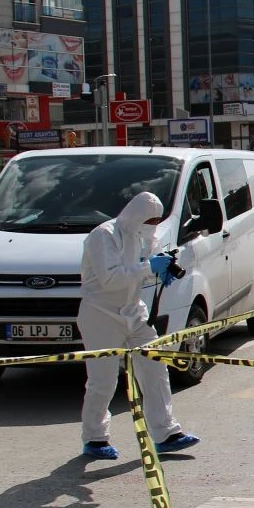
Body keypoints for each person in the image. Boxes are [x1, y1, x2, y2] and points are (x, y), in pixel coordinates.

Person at [78, 192, 198, 460]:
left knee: (155, 369)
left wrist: (161, 271)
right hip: (100, 315)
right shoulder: (103, 235)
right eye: (149, 220)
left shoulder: (139, 236)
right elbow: (110, 279)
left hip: (134, 312)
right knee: (103, 380)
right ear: (136, 215)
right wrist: (148, 268)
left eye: (156, 220)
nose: (152, 225)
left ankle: (167, 433)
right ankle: (95, 438)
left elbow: (136, 273)